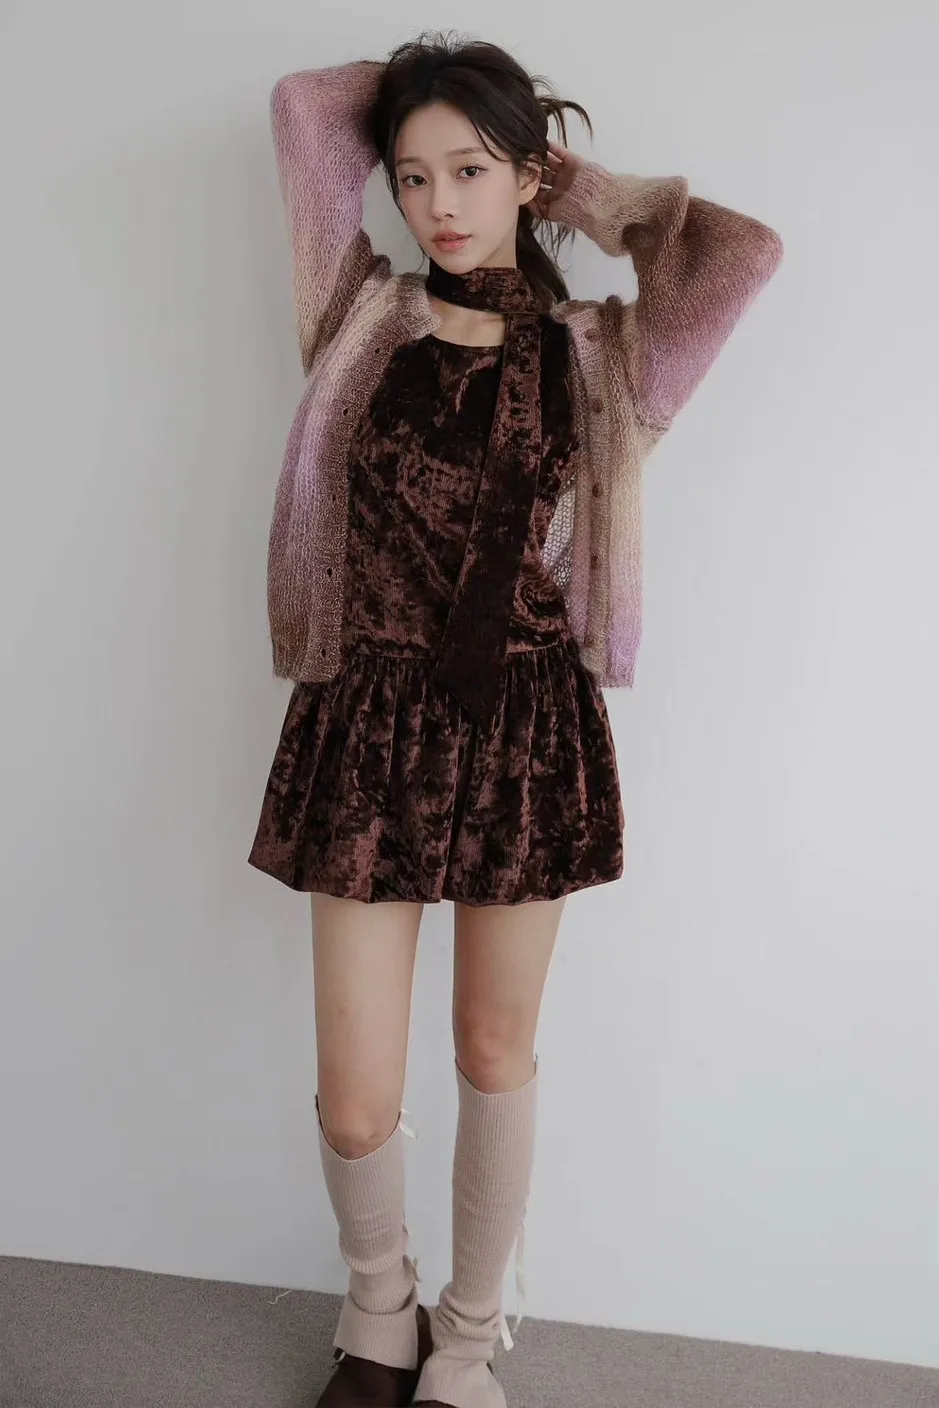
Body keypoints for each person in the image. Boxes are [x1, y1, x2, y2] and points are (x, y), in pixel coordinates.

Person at [248, 30, 782, 1408]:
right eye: (414, 175)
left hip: (524, 734)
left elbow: (739, 256)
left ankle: (470, 1339)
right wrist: (439, 104)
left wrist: (572, 186)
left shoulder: (601, 358)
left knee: (493, 1051)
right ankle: (378, 1311)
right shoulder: (355, 314)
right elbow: (302, 111)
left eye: (472, 171)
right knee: (358, 1093)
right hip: (366, 726)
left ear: (526, 176)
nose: (439, 202)